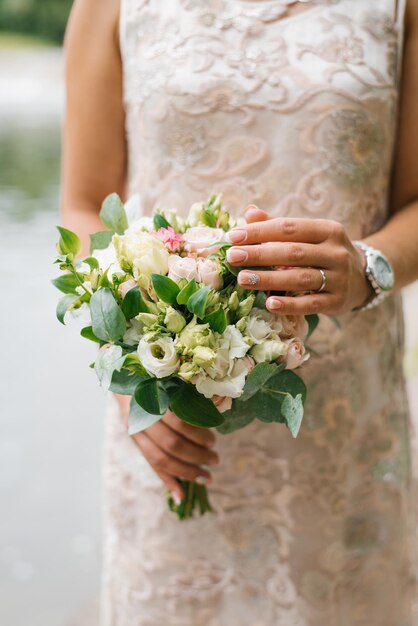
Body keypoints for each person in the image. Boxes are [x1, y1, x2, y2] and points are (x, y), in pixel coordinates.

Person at [61, 0, 418, 624]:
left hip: (344, 432)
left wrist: (368, 267)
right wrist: (131, 380)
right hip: (171, 423)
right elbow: (84, 204)